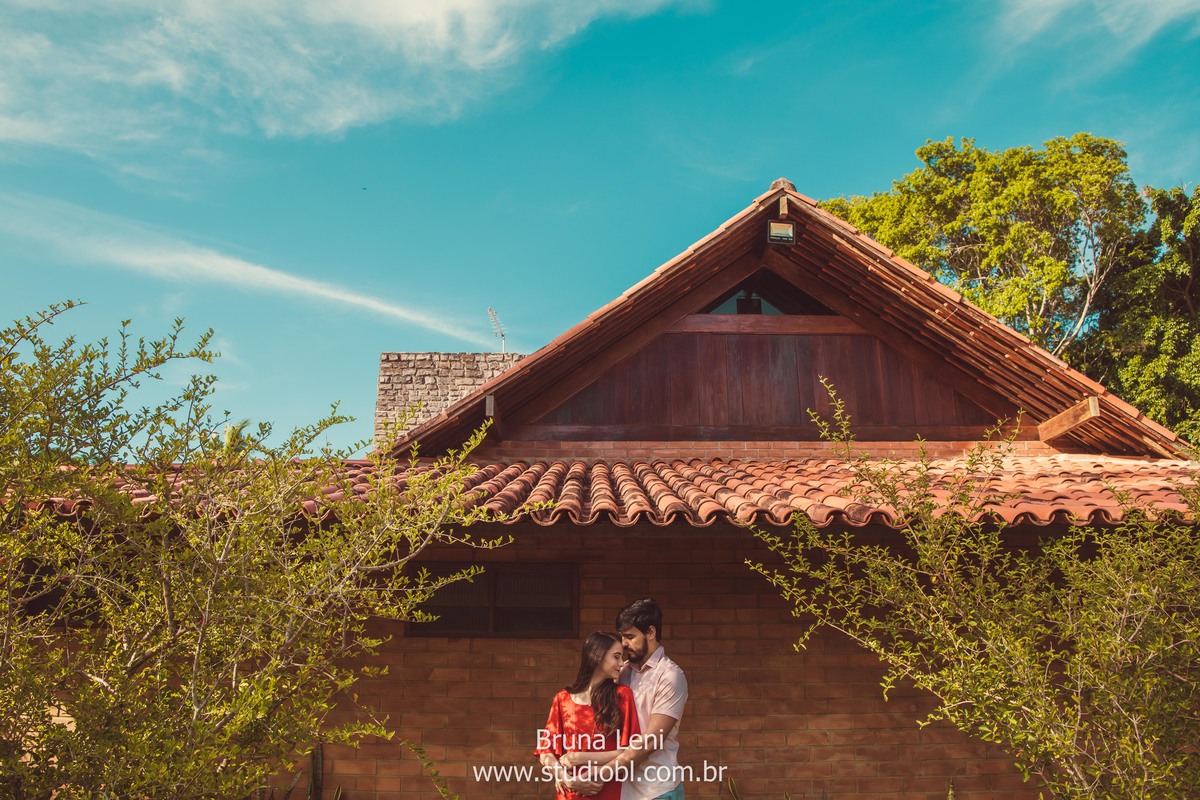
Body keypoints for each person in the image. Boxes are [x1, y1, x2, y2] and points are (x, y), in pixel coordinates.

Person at [536, 632, 641, 800]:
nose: (622, 664)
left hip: (607, 790)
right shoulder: (562, 699)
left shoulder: (622, 696)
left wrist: (581, 758)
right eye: (616, 657)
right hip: (569, 793)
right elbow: (545, 752)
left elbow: (632, 750)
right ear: (597, 656)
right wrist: (566, 779)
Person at [607, 598, 688, 800]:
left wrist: (600, 774)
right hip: (624, 791)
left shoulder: (670, 676)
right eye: (621, 637)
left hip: (658, 791)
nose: (623, 644)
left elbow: (649, 743)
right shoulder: (623, 672)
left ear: (650, 633)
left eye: (629, 636)